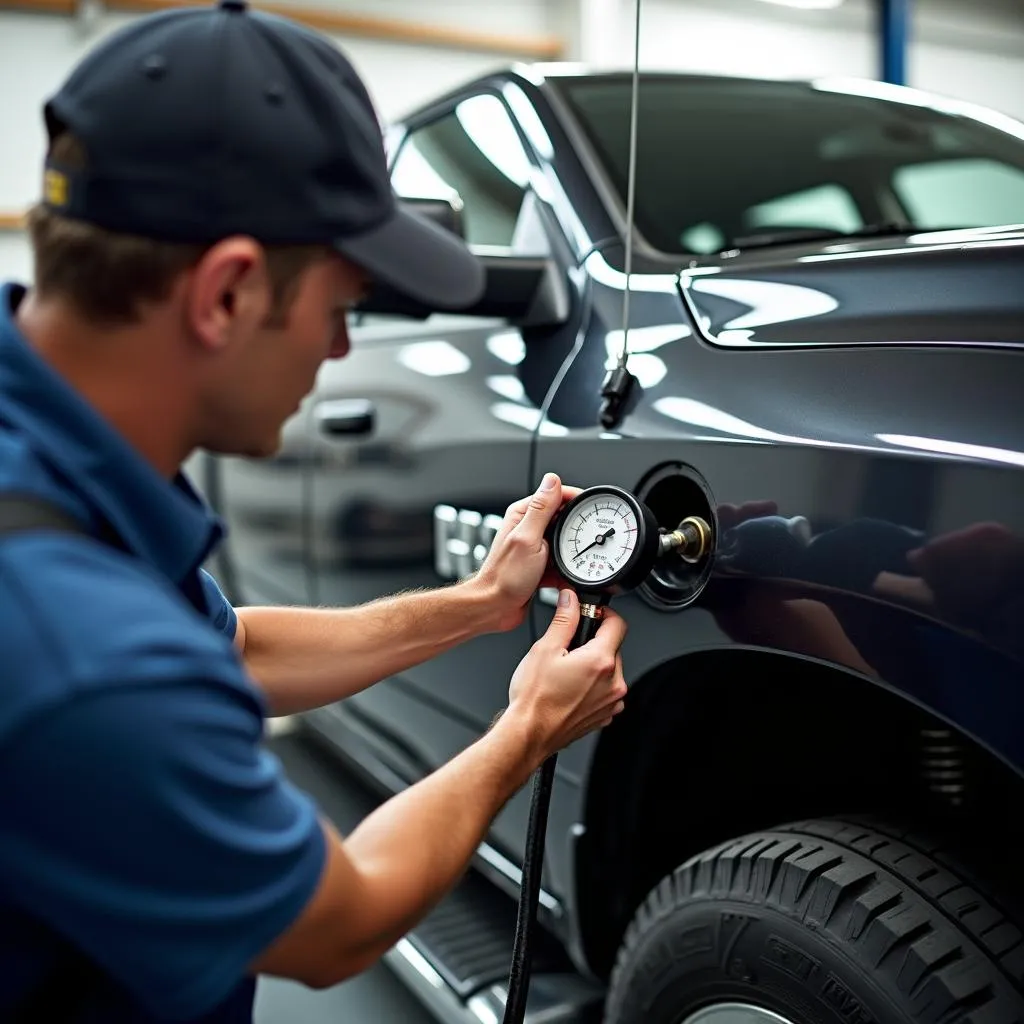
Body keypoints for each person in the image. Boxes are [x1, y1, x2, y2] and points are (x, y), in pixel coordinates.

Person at [0, 1, 629, 1020]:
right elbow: (341, 924)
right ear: (228, 295)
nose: (341, 355)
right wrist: (529, 728)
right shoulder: (71, 645)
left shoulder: (57, 459)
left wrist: (478, 603)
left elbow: (232, 648)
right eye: (341, 310)